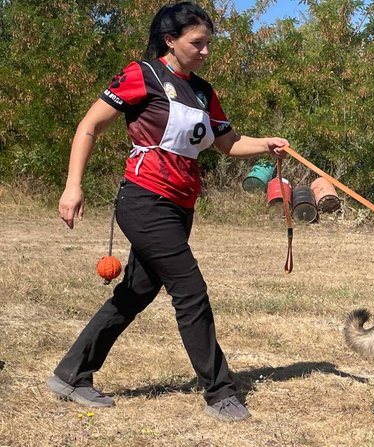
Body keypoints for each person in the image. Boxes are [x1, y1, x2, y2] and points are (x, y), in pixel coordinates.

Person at [47, 1, 289, 422]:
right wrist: (73, 186)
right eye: (197, 43)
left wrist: (266, 143)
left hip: (180, 206)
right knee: (190, 291)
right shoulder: (141, 75)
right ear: (170, 40)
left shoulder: (202, 91)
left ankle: (71, 374)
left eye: (208, 44)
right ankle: (220, 392)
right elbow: (89, 126)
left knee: (135, 293)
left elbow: (227, 143)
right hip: (144, 201)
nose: (205, 51)